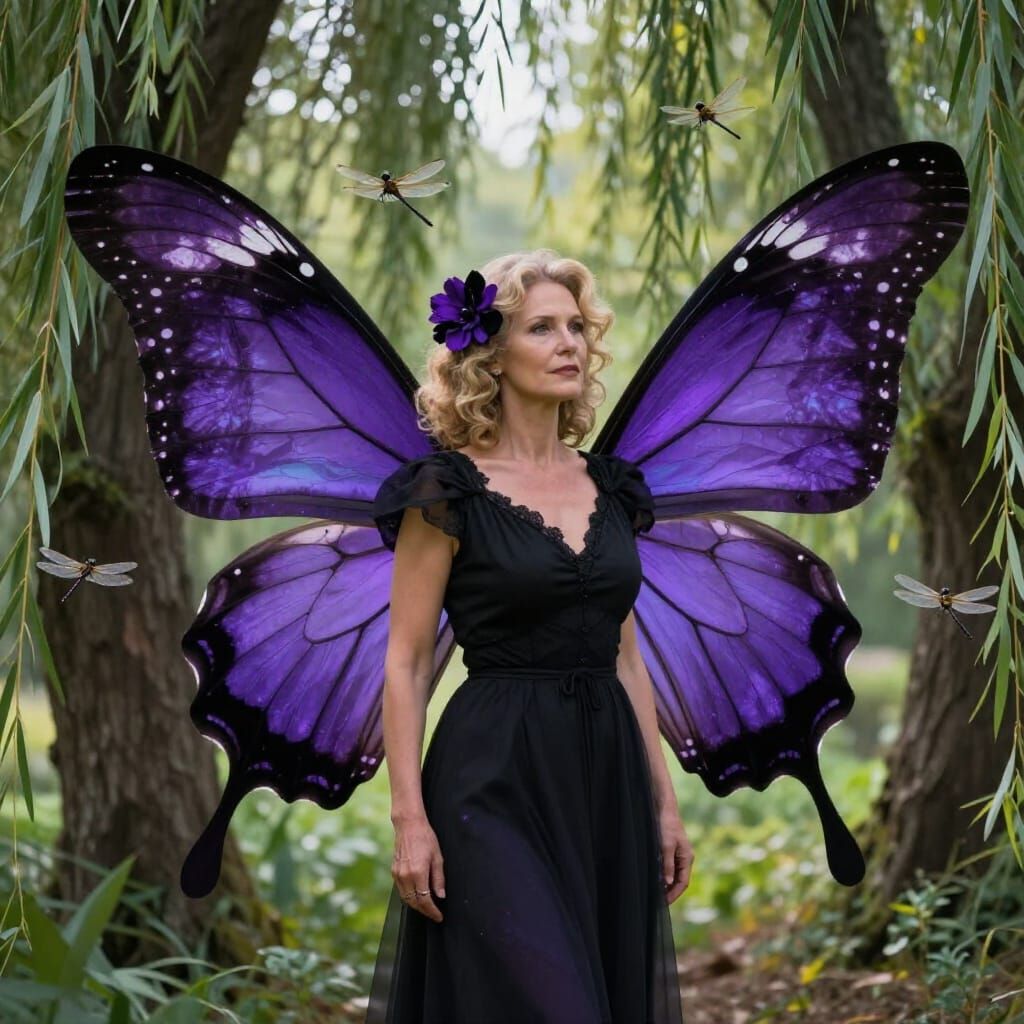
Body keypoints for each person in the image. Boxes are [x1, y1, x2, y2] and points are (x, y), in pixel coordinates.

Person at [365, 249, 692, 1023]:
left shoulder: (611, 487)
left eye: (577, 326)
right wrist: (409, 818)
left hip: (604, 772)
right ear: (492, 356)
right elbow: (407, 662)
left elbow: (627, 655)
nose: (569, 343)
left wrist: (664, 802)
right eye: (542, 327)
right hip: (492, 776)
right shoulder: (446, 490)